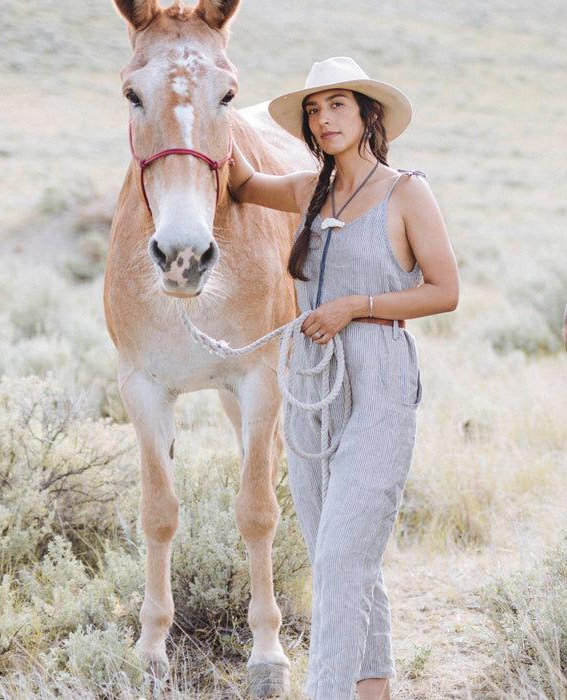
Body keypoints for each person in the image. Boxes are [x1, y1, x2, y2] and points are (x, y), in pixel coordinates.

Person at [228, 57, 459, 700]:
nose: (323, 118)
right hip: (309, 388)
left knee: (337, 559)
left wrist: (356, 306)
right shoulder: (307, 191)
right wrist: (204, 110)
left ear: (367, 116)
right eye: (313, 108)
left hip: (381, 383)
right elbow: (241, 183)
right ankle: (371, 691)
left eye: (337, 105)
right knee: (345, 556)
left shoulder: (406, 191)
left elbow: (446, 291)